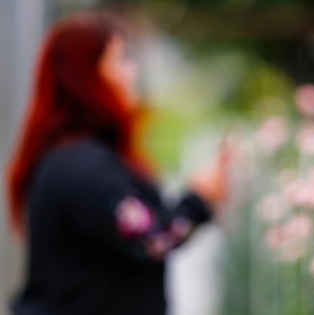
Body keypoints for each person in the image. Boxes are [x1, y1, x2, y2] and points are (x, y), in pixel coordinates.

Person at [5, 12, 229, 315]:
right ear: (86, 77)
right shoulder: (82, 169)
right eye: (122, 59)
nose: (133, 72)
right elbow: (154, 238)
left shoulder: (78, 159)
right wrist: (200, 198)